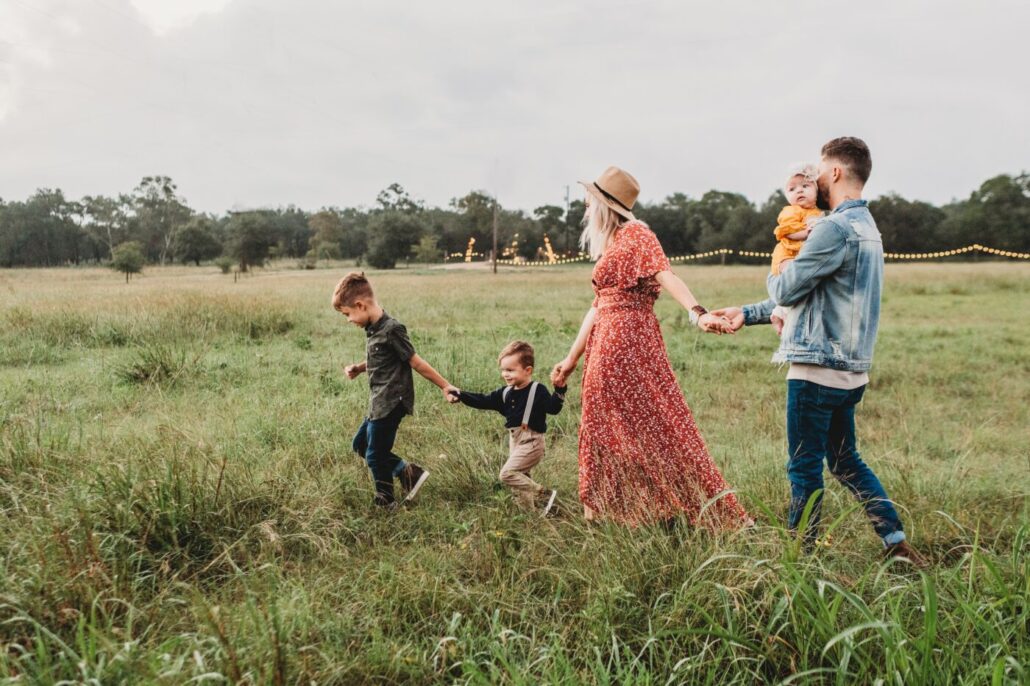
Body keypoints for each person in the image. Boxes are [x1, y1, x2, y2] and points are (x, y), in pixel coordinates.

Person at [711, 137, 928, 566]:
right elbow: (816, 295)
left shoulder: (831, 228)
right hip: (851, 372)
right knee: (846, 461)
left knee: (803, 467)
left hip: (815, 370)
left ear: (835, 173)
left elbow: (789, 287)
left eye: (819, 171)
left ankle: (799, 556)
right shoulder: (868, 228)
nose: (813, 180)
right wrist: (748, 313)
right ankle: (895, 543)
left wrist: (778, 269)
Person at [551, 166, 751, 528]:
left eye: (589, 200)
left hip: (627, 340)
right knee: (606, 426)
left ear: (605, 205)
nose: (584, 206)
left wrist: (697, 313)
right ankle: (612, 511)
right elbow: (597, 306)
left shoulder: (637, 234)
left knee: (656, 423)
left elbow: (666, 274)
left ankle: (671, 507)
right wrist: (570, 358)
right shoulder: (613, 243)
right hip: (607, 340)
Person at [332, 272, 458, 509]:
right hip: (378, 402)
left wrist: (445, 386)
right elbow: (381, 359)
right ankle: (408, 473)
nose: (348, 320)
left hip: (392, 402)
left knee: (375, 454)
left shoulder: (392, 329)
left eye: (347, 314)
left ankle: (386, 500)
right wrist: (360, 368)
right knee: (360, 444)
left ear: (361, 305)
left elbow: (415, 361)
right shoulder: (373, 329)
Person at [450, 340, 565, 515]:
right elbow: (483, 400)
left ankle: (544, 494)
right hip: (515, 440)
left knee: (508, 474)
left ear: (528, 370)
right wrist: (461, 394)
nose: (505, 374)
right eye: (503, 370)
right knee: (521, 481)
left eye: (510, 370)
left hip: (532, 441)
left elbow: (553, 409)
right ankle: (529, 516)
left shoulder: (537, 390)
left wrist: (559, 389)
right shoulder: (505, 393)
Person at [770, 164, 825, 333]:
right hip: (787, 253)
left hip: (799, 253)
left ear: (816, 191)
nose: (799, 191)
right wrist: (806, 233)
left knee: (801, 283)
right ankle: (784, 313)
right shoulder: (791, 211)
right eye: (792, 189)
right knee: (793, 279)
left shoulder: (818, 212)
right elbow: (787, 231)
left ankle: (779, 311)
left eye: (805, 186)